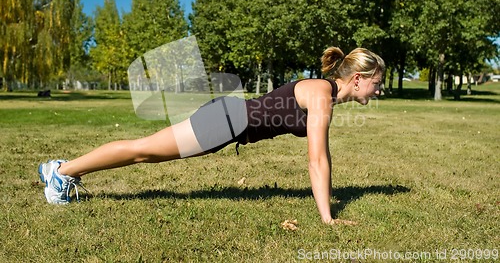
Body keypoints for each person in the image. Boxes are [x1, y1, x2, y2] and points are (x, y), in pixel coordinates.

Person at [38, 46, 385, 225]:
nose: (378, 91)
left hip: (228, 120)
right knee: (142, 151)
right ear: (358, 79)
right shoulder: (321, 93)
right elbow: (317, 159)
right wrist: (328, 218)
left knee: (143, 151)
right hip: (226, 121)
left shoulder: (322, 92)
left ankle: (63, 169)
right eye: (377, 83)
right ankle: (62, 173)